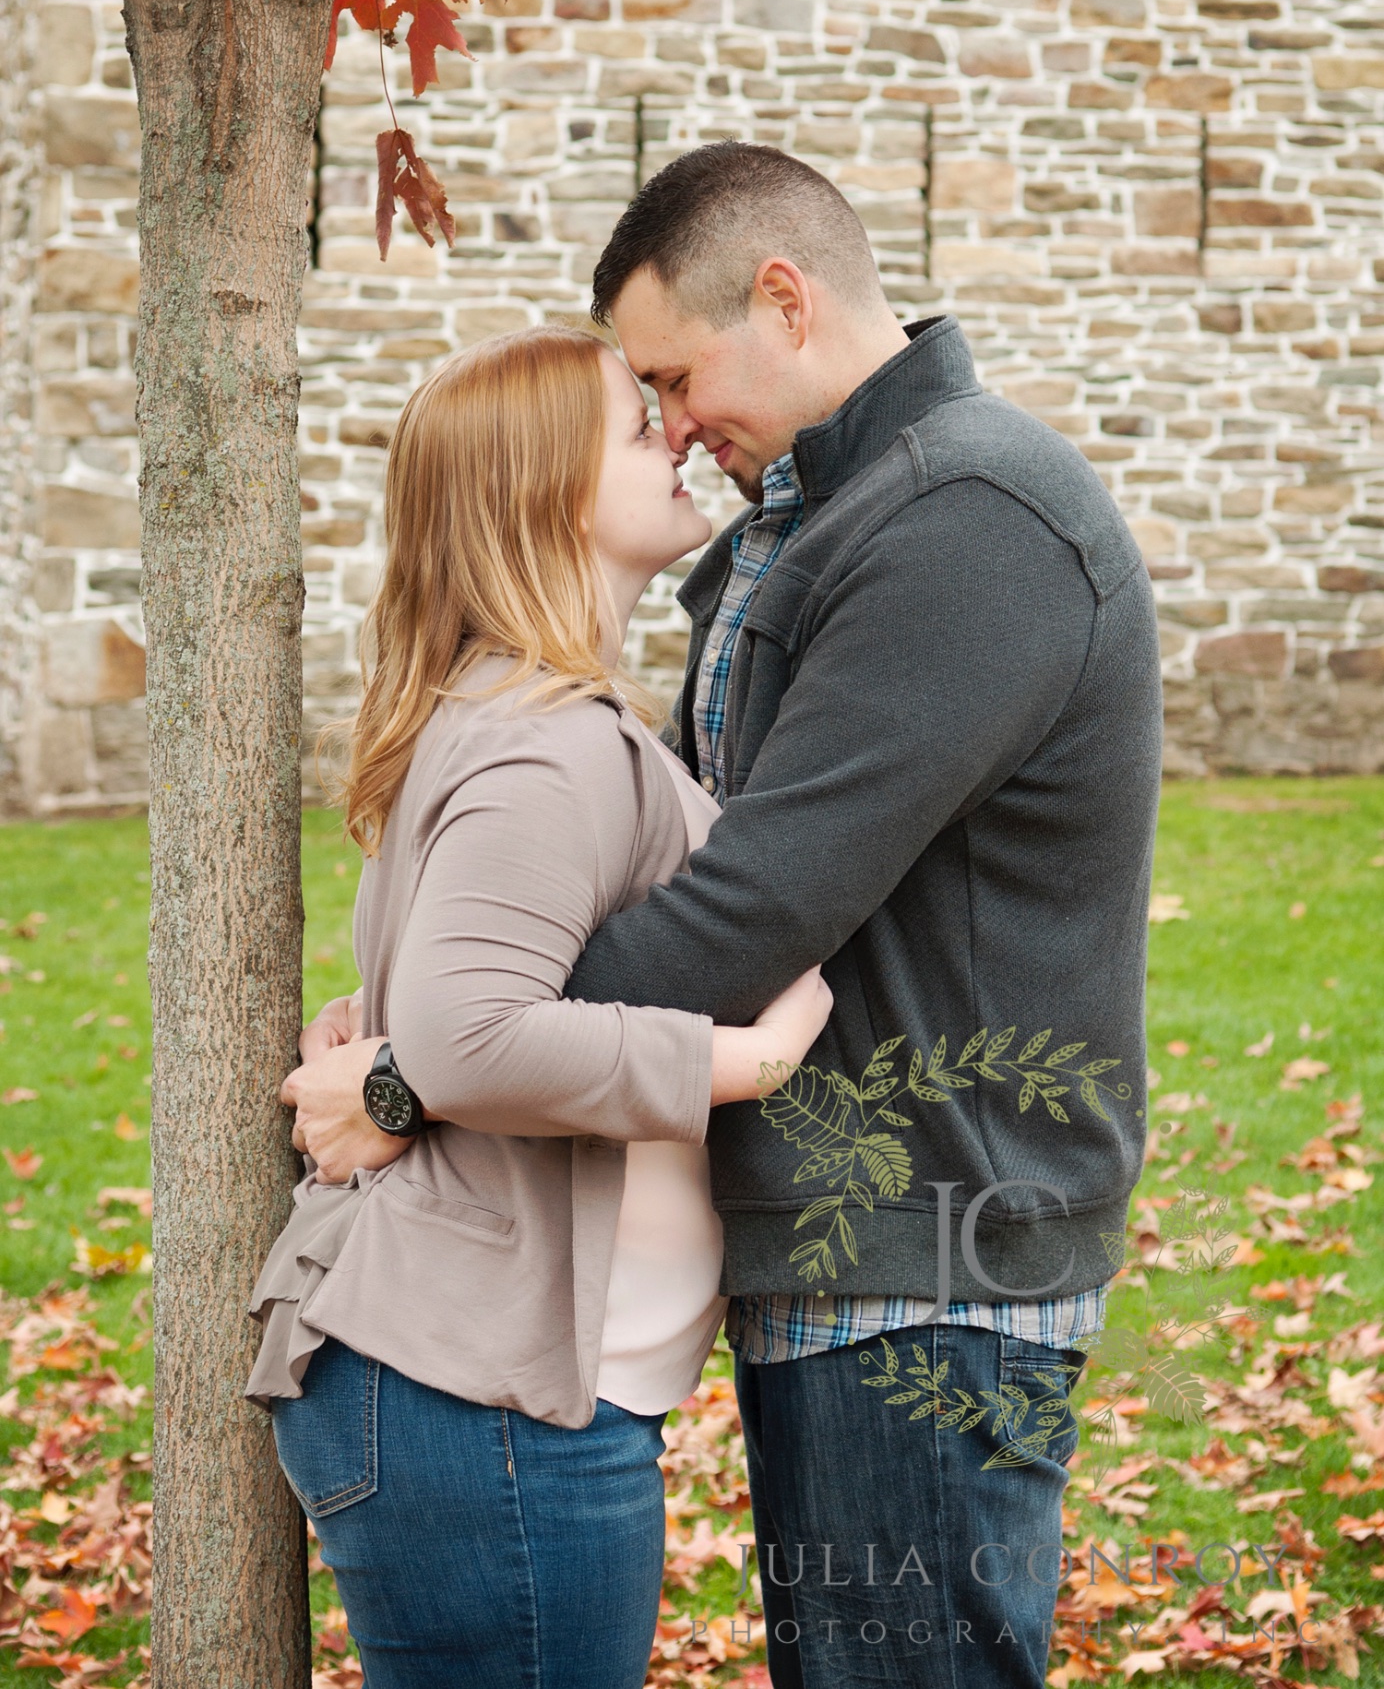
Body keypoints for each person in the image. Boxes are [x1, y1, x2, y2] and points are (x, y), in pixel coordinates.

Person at [286, 143, 1163, 1688]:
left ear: (785, 296)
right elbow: (648, 869)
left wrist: (417, 1074)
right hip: (844, 1245)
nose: (675, 425)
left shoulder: (966, 520)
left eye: (676, 377)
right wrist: (446, 1021)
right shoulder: (821, 518)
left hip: (929, 1252)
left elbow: (741, 911)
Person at [246, 324, 831, 1689]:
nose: (675, 434)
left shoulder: (530, 717)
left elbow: (448, 1008)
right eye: (637, 428)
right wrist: (746, 1057)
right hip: (482, 1407)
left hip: (491, 1399)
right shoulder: (545, 742)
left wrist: (379, 1035)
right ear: (546, 497)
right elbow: (469, 1034)